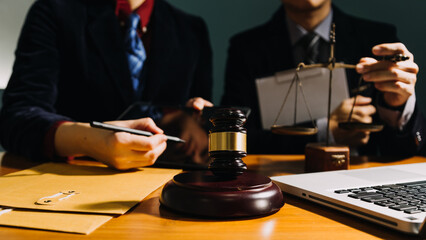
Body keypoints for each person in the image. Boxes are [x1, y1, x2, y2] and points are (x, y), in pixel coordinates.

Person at [0, 0, 213, 170]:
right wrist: (88, 140)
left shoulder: (191, 29)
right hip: (74, 181)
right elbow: (16, 118)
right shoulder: (54, 11)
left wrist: (196, 120)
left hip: (164, 188)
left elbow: (197, 121)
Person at [221, 0, 425, 156]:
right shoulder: (246, 49)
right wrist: (326, 132)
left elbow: (405, 152)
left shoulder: (378, 40)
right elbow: (235, 140)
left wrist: (398, 106)